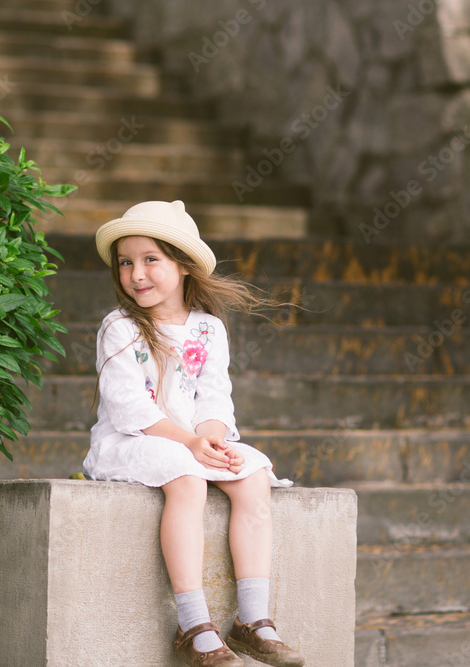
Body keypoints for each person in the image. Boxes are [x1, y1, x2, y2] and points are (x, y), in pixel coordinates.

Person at [83, 201, 304, 667]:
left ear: (182, 265)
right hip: (131, 442)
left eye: (150, 260)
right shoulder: (120, 328)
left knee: (252, 472)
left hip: (191, 441)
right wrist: (189, 444)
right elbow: (129, 407)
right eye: (126, 262)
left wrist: (213, 438)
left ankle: (253, 619)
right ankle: (193, 624)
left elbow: (214, 396)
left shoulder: (209, 330)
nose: (136, 274)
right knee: (185, 478)